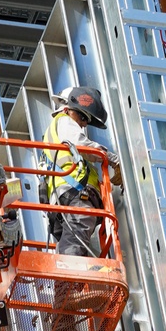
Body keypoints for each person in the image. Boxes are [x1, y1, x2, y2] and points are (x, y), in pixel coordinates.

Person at [41, 86, 120, 257]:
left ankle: (70, 281)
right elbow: (80, 143)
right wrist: (111, 158)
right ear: (67, 108)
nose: (84, 123)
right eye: (83, 116)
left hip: (61, 198)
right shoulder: (64, 121)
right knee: (78, 233)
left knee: (76, 244)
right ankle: (68, 282)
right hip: (74, 193)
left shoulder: (52, 132)